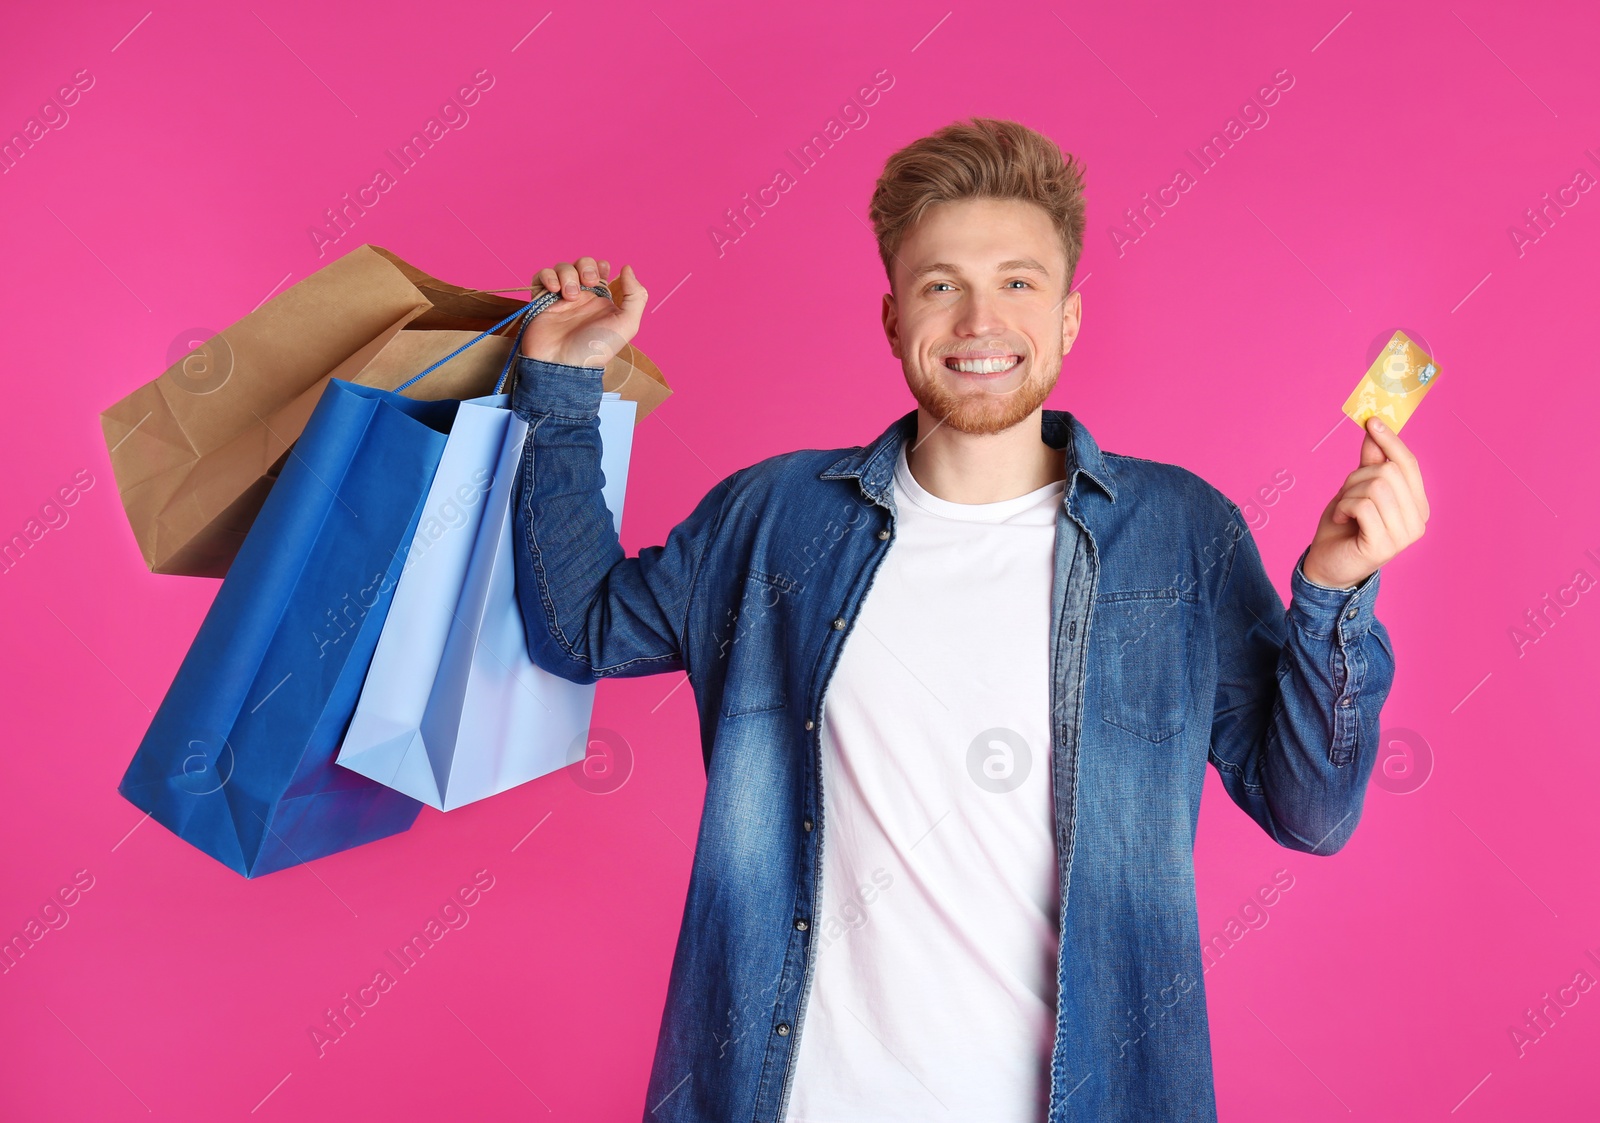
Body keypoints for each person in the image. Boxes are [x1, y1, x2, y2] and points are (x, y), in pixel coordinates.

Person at [507, 117, 1427, 1123]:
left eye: (1018, 283)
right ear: (893, 313)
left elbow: (1310, 811)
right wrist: (563, 388)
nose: (979, 319)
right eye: (941, 284)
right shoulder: (773, 519)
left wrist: (1334, 593)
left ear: (1069, 318)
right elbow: (579, 628)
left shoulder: (1178, 534)